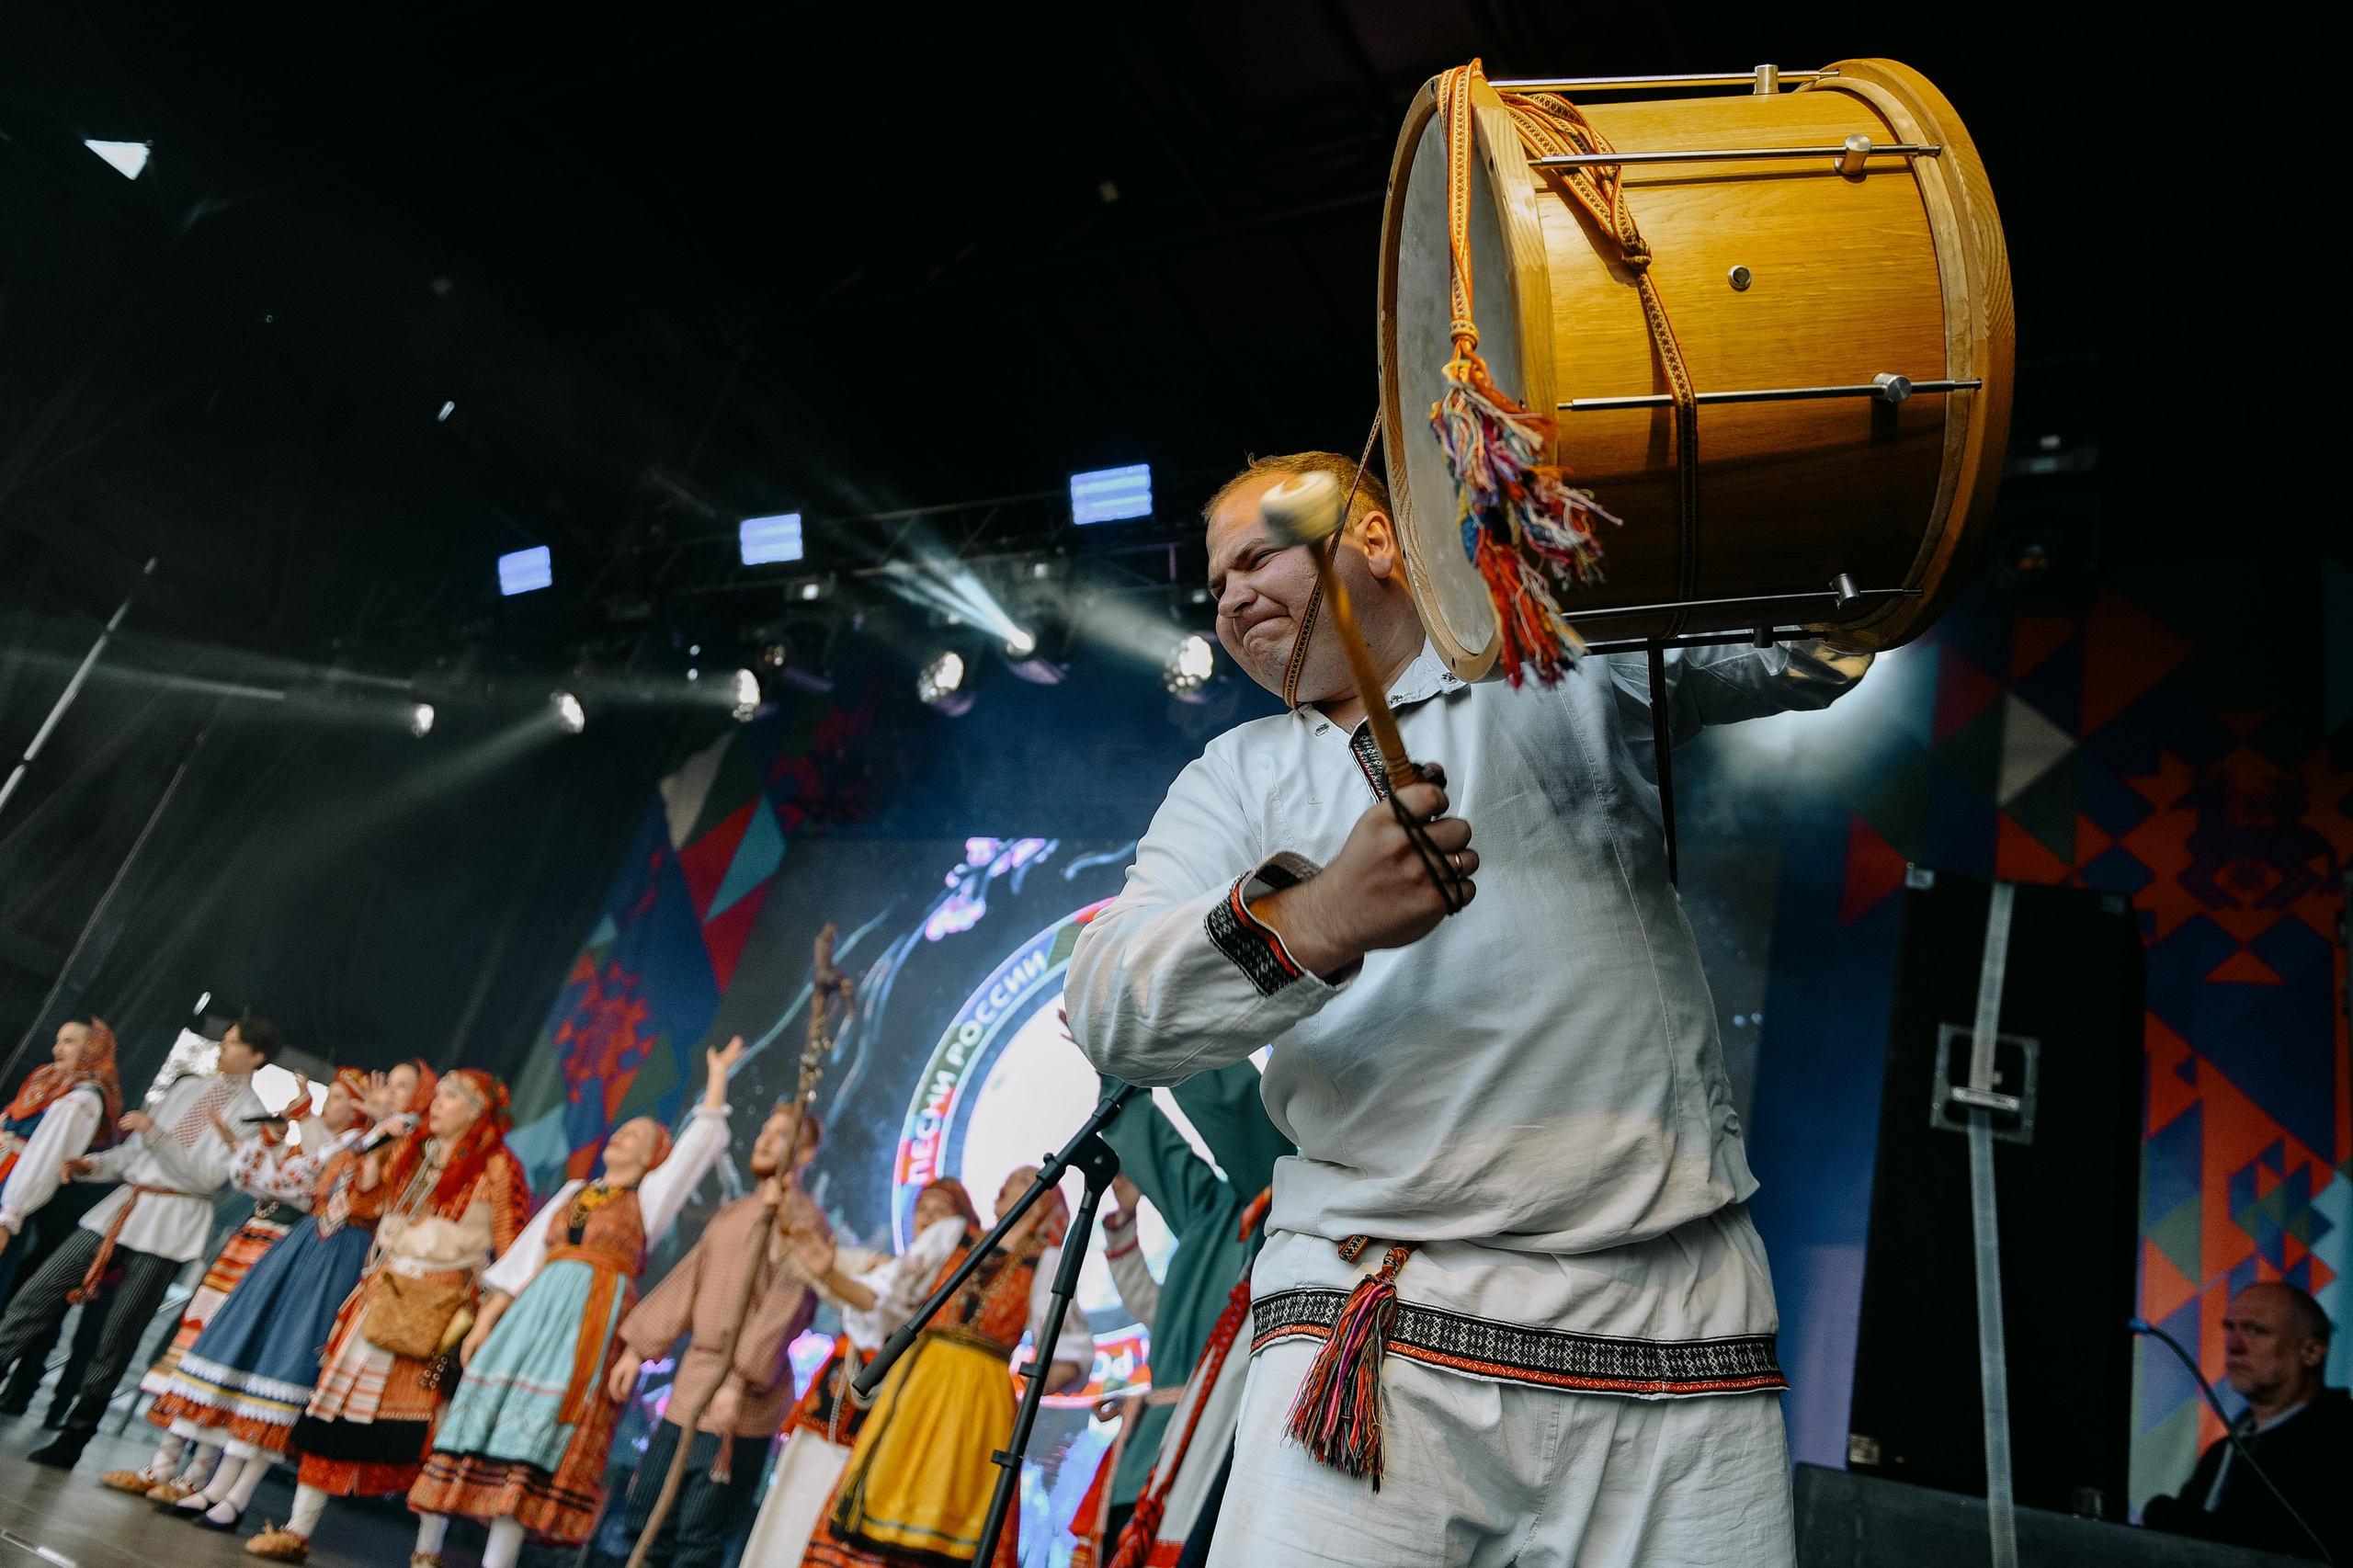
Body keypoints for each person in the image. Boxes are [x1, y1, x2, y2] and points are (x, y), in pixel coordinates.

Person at [1066, 451, 1873, 1566]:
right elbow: (1112, 1007)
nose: (1230, 597)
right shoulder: (1233, 775)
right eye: (1213, 586)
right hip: (1377, 1315)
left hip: (1671, 1328)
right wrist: (1322, 914)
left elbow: (1811, 643)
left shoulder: (1548, 664)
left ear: (1379, 542)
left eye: (1259, 556)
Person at [405, 1040, 744, 1568]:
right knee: (476, 1418)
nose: (622, 1137)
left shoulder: (648, 1202)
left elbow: (699, 1146)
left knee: (537, 1436)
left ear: (654, 1157)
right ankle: (427, 1550)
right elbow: (521, 1265)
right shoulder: (571, 1194)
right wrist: (484, 1324)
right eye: (622, 1130)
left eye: (637, 1136)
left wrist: (718, 1080)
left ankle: (496, 1562)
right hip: (532, 1313)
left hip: (586, 1319)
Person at [246, 1067, 529, 1563]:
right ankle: (296, 1530)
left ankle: (427, 1553)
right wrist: (376, 1144)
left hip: (441, 1305)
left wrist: (495, 1318)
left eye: (450, 1097)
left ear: (477, 1110)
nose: (436, 1104)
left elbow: (514, 1248)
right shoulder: (409, 1151)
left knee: (431, 1428)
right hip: (382, 1290)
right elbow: (362, 1201)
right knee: (334, 1408)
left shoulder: (498, 1167)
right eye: (435, 1094)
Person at [107, 1065, 390, 1517]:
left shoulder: (353, 1149)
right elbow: (263, 1179)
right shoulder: (322, 1147)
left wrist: (273, 1138)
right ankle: (165, 1466)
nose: (326, 1106)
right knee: (205, 1345)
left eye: (339, 1098)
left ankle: (195, 1475)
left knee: (247, 1353)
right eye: (329, 1097)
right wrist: (264, 1142)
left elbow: (292, 1184)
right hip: (257, 1245)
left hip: (288, 1251)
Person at [0, 1016, 277, 1470]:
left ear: (257, 1055)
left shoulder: (251, 1112)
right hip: (123, 1206)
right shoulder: (187, 1089)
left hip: (173, 1221)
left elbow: (208, 1177)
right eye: (223, 1042)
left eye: (231, 1045)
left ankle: (75, 1435)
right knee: (36, 1295)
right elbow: (135, 1153)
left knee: (118, 1333)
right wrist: (95, 1164)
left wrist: (155, 1133)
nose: (221, 1051)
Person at [797, 1167, 1094, 1568]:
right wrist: (828, 1273)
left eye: (1032, 1179)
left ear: (1049, 1205)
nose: (1018, 1181)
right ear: (996, 1199)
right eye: (1017, 1177)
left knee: (958, 1510)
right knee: (885, 1489)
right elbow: (886, 1295)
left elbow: (1069, 1349)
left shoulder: (1047, 1265)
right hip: (919, 1384)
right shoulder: (952, 1235)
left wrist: (1042, 1382)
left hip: (980, 1402)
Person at [615, 1096, 833, 1568]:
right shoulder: (734, 1213)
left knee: (699, 1534)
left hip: (742, 1400)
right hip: (691, 1385)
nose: (764, 1140)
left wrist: (737, 1380)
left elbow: (783, 1309)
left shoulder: (803, 1223)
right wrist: (637, 1349)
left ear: (805, 1153)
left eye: (779, 1135)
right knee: (647, 1515)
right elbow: (689, 1281)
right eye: (764, 1132)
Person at [1084, 1064, 1285, 1564]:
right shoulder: (1212, 1210)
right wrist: (1115, 1059)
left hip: (1232, 1464)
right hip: (1151, 1455)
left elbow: (1231, 1105)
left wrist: (1152, 1030)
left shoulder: (1290, 1200)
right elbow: (1147, 1137)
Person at [740, 1176, 977, 1567]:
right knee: (794, 1499)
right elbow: (804, 1262)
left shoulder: (947, 1290)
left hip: (890, 1405)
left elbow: (868, 1296)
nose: (928, 1219)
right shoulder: (884, 1267)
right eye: (923, 1209)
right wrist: (787, 1219)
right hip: (836, 1394)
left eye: (941, 1213)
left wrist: (830, 1274)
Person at [2143, 1283, 2351, 1562]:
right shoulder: (2223, 1452)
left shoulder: (2341, 1440)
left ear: (2311, 1352)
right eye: (2230, 1327)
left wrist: (2168, 1515)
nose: (2234, 1345)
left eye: (2256, 1330)